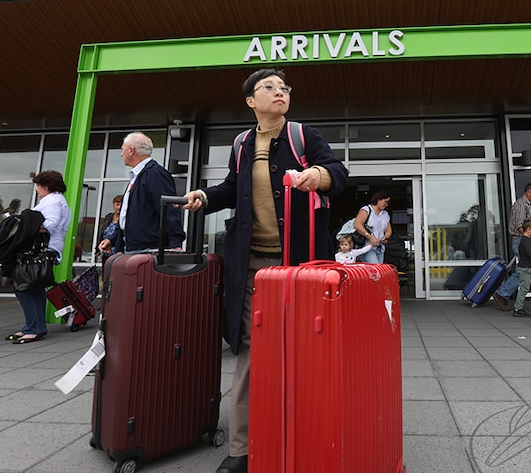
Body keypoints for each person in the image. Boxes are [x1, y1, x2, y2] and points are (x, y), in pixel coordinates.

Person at [181, 68, 348, 473]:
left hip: (303, 263)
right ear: (251, 101)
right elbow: (230, 188)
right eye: (269, 88)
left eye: (284, 88)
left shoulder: (303, 137)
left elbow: (339, 174)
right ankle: (241, 449)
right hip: (254, 265)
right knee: (251, 351)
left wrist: (319, 176)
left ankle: (310, 437)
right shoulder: (241, 143)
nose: (279, 92)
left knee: (309, 349)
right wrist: (204, 195)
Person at [9, 171, 72, 344]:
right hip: (46, 250)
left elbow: (49, 225)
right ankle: (34, 326)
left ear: (46, 186)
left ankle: (34, 328)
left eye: (38, 185)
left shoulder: (52, 201)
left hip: (41, 250)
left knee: (23, 287)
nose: (36, 189)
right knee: (34, 288)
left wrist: (24, 227)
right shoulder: (56, 200)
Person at [98, 132, 184, 254]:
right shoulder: (137, 177)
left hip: (149, 250)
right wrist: (113, 240)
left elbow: (169, 209)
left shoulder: (155, 174)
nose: (121, 154)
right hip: (135, 248)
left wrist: (175, 243)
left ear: (131, 150)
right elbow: (127, 216)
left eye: (123, 149)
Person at [493, 183, 531, 312]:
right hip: (520, 240)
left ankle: (504, 295)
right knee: (530, 271)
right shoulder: (520, 205)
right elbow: (520, 227)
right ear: (529, 193)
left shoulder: (527, 206)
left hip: (523, 240)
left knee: (526, 271)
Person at [354, 190, 392, 264]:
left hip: (380, 247)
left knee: (378, 271)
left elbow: (388, 230)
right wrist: (369, 237)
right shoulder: (366, 210)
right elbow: (357, 224)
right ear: (379, 199)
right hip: (367, 247)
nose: (387, 205)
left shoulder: (385, 214)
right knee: (375, 270)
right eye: (385, 202)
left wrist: (385, 237)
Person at [97, 194, 123, 265]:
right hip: (105, 251)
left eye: (121, 205)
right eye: (117, 204)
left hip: (117, 252)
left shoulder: (124, 219)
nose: (119, 207)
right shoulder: (108, 217)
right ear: (113, 205)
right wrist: (97, 249)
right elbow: (102, 232)